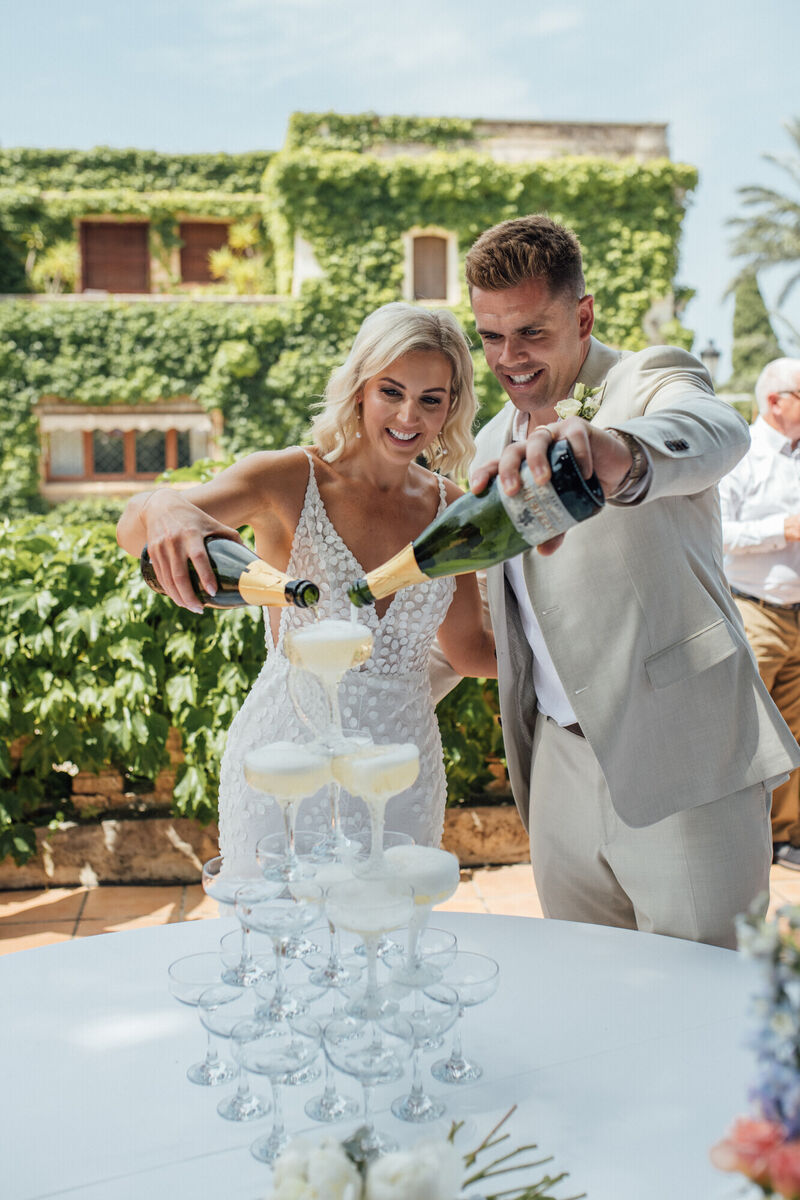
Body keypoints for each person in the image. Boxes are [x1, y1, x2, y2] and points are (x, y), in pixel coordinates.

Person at [431, 214, 800, 950]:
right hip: (558, 766)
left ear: (584, 315)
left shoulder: (646, 379)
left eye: (532, 332)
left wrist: (615, 451)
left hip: (683, 752)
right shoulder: (496, 441)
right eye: (492, 336)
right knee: (591, 999)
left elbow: (711, 429)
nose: (511, 357)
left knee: (705, 1000)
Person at [116, 303, 495, 875]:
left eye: (430, 399)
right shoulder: (289, 478)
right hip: (286, 764)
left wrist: (582, 654)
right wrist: (162, 503)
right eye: (390, 391)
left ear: (452, 406)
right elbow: (132, 530)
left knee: (387, 946)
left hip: (398, 775)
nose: (408, 415)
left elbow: (469, 651)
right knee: (279, 944)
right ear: (360, 389)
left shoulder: (455, 512)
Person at [719, 358, 800, 869]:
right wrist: (782, 529)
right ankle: (733, 838)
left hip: (796, 615)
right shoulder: (740, 457)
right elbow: (716, 534)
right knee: (743, 731)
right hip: (754, 611)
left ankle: (784, 837)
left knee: (793, 731)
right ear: (775, 400)